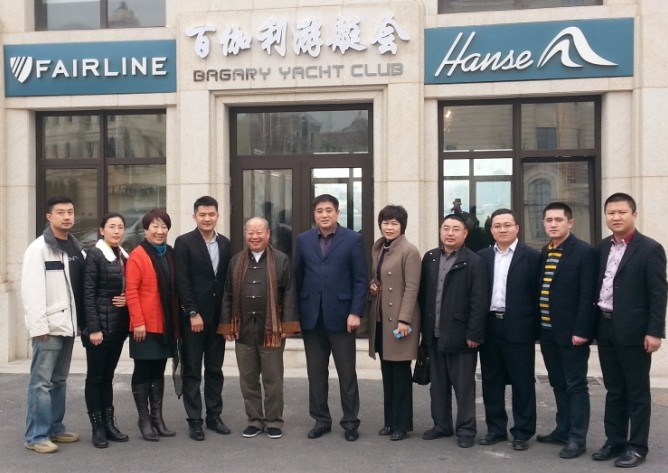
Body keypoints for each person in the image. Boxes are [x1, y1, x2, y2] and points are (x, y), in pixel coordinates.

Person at [591, 193, 667, 468]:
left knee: (636, 391)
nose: (616, 217)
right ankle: (615, 441)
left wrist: (655, 331)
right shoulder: (602, 247)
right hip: (605, 326)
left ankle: (636, 446)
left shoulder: (650, 249)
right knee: (614, 389)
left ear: (634, 214)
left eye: (622, 212)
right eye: (611, 213)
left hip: (635, 331)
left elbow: (658, 293)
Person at [294, 194, 368, 442]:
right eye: (319, 211)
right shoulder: (304, 240)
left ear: (337, 213)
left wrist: (356, 312)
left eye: (328, 210)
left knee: (347, 373)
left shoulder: (353, 239)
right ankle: (321, 420)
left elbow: (360, 279)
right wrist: (297, 314)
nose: (324, 215)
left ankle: (350, 422)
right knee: (316, 373)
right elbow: (298, 277)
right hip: (312, 317)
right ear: (314, 215)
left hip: (343, 316)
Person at [219, 217, 300, 439]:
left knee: (273, 380)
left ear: (268, 234)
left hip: (272, 331)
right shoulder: (235, 261)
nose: (254, 237)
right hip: (244, 330)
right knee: (248, 379)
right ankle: (254, 420)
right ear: (245, 235)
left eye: (259, 232)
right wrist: (226, 327)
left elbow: (290, 294)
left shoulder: (281, 260)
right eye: (250, 233)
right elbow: (227, 295)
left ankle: (273, 421)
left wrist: (287, 325)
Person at [22, 195, 85, 453]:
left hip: (68, 325)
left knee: (59, 380)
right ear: (49, 216)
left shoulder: (75, 247)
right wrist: (38, 327)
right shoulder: (39, 249)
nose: (67, 216)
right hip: (48, 327)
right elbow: (32, 290)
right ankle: (36, 436)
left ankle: (55, 428)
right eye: (61, 212)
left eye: (70, 211)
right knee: (41, 383)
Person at [418, 214, 488, 448]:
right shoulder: (430, 258)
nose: (450, 233)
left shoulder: (474, 261)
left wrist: (474, 334)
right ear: (440, 231)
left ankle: (466, 429)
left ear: (465, 233)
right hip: (434, 333)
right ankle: (441, 425)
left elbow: (479, 301)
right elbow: (423, 296)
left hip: (461, 335)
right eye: (446, 228)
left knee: (464, 386)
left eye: (455, 229)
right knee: (438, 385)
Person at [536, 202, 597, 459]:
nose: (553, 224)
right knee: (558, 382)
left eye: (558, 220)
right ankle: (563, 429)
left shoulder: (584, 252)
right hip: (547, 331)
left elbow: (587, 295)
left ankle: (577, 438)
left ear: (570, 223)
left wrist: (582, 330)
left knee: (575, 385)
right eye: (549, 220)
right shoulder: (545, 251)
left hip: (572, 334)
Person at [477, 209, 541, 451]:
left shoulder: (532, 257)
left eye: (507, 225)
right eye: (497, 226)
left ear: (517, 228)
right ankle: (496, 429)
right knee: (491, 380)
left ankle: (523, 432)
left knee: (522, 382)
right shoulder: (482, 257)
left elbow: (537, 295)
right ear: (491, 230)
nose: (502, 229)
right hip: (490, 325)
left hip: (519, 327)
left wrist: (534, 328)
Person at [174, 196, 232, 441]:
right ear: (195, 216)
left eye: (211, 214)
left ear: (217, 215)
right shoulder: (184, 242)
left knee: (215, 369)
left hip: (218, 319)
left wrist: (228, 319)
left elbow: (226, 283)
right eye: (202, 215)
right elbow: (182, 281)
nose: (207, 219)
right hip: (194, 320)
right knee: (192, 371)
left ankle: (214, 416)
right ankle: (195, 420)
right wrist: (192, 312)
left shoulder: (226, 244)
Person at [368, 205, 421, 441]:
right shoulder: (380, 247)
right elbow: (379, 277)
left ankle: (402, 424)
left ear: (402, 226)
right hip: (381, 320)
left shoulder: (409, 251)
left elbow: (412, 288)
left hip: (400, 323)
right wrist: (373, 286)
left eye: (394, 223)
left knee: (400, 375)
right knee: (387, 373)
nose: (389, 227)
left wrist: (404, 319)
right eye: (385, 223)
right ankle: (390, 422)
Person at [126, 208, 179, 442]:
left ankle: (157, 418)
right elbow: (131, 291)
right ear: (145, 230)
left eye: (163, 226)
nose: (160, 231)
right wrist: (138, 322)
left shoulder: (170, 253)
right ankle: (144, 419)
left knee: (158, 371)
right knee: (143, 371)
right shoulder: (138, 255)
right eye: (154, 226)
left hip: (164, 325)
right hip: (144, 326)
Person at [82, 213, 130, 448]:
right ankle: (98, 428)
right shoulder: (96, 254)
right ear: (102, 230)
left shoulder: (123, 255)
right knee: (95, 378)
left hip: (117, 328)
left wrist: (127, 299)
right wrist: (94, 328)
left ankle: (110, 425)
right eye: (112, 226)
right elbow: (88, 293)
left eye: (120, 227)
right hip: (99, 330)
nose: (117, 231)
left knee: (108, 377)